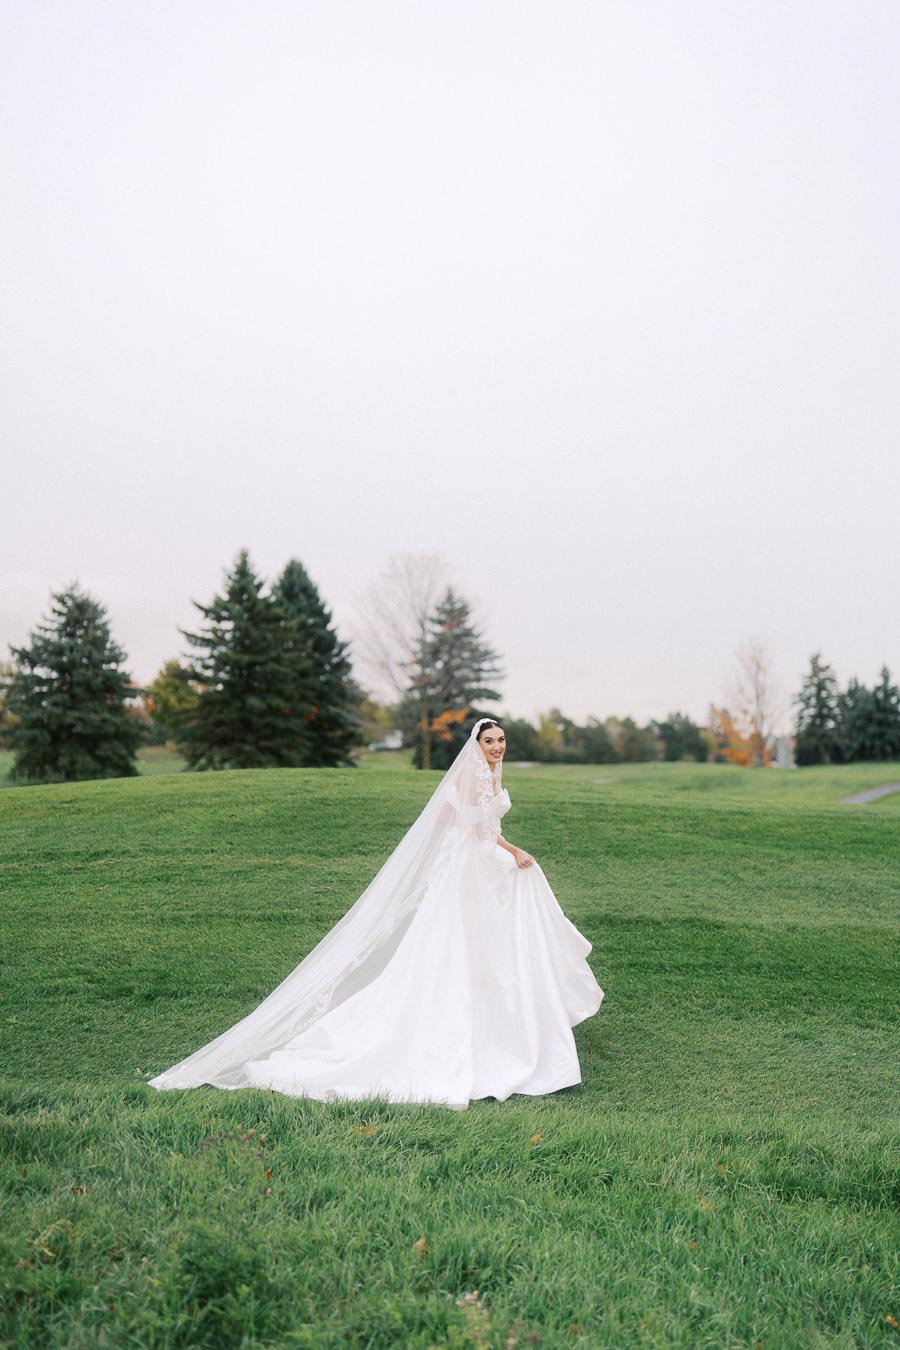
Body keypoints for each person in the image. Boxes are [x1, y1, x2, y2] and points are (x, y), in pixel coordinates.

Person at [150, 717, 603, 1110]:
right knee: (458, 945)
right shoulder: (471, 777)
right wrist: (491, 828)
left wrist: (512, 848)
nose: (497, 747)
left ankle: (511, 1022)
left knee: (520, 893)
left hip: (482, 863)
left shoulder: (492, 775)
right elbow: (458, 823)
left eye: (501, 740)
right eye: (490, 741)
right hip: (465, 873)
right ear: (476, 745)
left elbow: (488, 830)